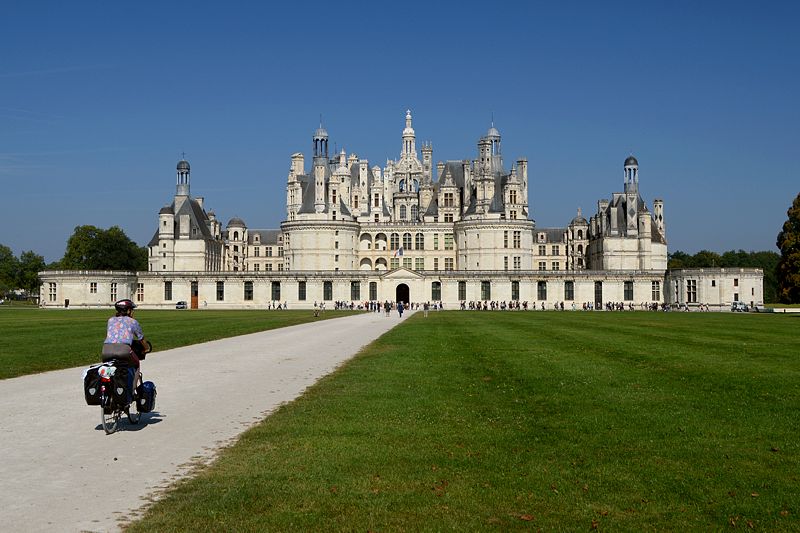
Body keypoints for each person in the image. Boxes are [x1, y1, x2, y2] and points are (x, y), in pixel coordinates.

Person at [102, 299, 149, 402]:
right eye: (132, 310)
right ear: (128, 311)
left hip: (106, 350)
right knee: (136, 365)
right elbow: (141, 339)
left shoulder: (110, 320)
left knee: (110, 368)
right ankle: (132, 391)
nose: (132, 312)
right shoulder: (133, 322)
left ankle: (108, 392)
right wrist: (146, 348)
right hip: (124, 350)